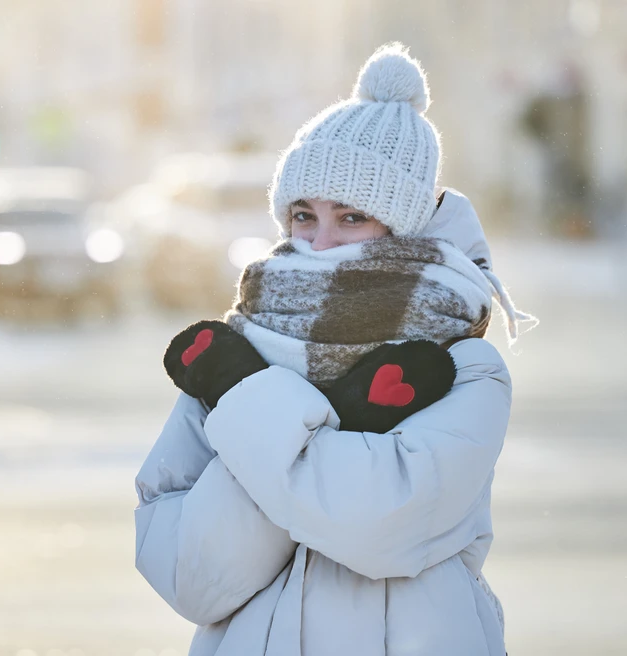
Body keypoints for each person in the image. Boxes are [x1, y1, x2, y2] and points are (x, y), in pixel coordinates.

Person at [134, 42, 537, 656]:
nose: (319, 244)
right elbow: (190, 577)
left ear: (402, 224)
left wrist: (247, 402)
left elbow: (377, 528)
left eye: (351, 217)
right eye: (303, 215)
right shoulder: (245, 343)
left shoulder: (463, 367)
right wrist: (339, 416)